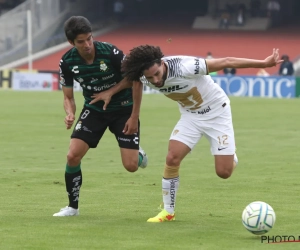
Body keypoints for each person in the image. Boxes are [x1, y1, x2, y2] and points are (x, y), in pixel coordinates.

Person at [90, 45, 283, 222]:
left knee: (224, 172)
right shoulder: (142, 75)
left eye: (157, 74)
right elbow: (135, 83)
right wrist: (131, 113)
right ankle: (168, 211)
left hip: (217, 112)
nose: (155, 81)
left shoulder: (187, 66)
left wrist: (264, 63)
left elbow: (226, 62)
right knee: (172, 157)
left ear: (162, 63)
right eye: (150, 78)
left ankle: (230, 155)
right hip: (191, 116)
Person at [53, 16, 148, 217]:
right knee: (72, 156)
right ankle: (72, 207)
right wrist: (69, 113)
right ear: (71, 42)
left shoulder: (110, 52)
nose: (87, 44)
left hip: (123, 108)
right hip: (94, 110)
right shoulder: (67, 61)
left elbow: (134, 78)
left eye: (89, 38)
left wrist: (110, 92)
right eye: (81, 41)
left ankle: (139, 153)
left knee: (131, 166)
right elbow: (68, 97)